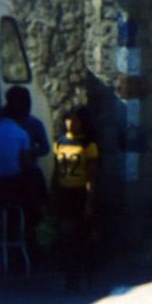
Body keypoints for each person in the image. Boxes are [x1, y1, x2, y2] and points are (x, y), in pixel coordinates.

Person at [52, 106, 99, 291]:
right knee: (66, 237)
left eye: (75, 120)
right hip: (65, 194)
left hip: (80, 195)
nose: (70, 123)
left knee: (81, 237)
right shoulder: (60, 142)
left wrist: (89, 201)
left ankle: (86, 274)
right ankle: (70, 278)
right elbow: (56, 171)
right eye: (68, 119)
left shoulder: (88, 145)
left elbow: (92, 175)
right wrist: (53, 194)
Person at [4, 86, 50, 265]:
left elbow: (45, 148)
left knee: (33, 213)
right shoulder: (4, 122)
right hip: (13, 177)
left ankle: (34, 251)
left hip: (27, 174)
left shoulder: (34, 124)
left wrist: (30, 152)